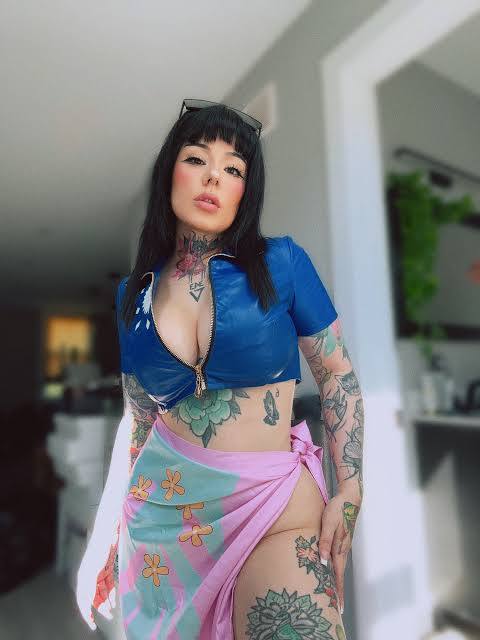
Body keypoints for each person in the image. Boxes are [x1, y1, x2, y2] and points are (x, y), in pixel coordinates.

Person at [76, 99, 364, 639]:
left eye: (233, 169)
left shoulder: (282, 262)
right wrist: (105, 537)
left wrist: (349, 489)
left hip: (273, 509)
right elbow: (138, 422)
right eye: (196, 159)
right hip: (165, 526)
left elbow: (336, 375)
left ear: (244, 192)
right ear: (170, 173)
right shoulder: (131, 295)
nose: (213, 176)